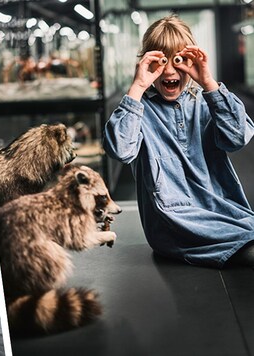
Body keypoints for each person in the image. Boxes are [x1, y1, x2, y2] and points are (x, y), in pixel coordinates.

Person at [103, 15, 254, 268]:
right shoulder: (139, 110)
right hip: (175, 226)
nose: (170, 71)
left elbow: (237, 138)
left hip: (227, 214)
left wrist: (208, 83)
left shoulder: (206, 103)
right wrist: (138, 87)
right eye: (160, 62)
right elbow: (119, 150)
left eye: (178, 60)